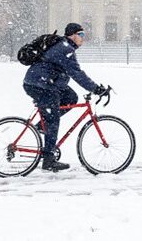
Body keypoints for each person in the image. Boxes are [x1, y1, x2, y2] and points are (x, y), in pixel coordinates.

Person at [22, 23, 101, 172]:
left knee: (71, 97)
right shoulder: (65, 49)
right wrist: (95, 88)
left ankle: (41, 126)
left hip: (44, 82)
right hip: (40, 84)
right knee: (53, 119)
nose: (83, 38)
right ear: (72, 35)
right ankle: (49, 159)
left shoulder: (65, 47)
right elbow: (77, 73)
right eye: (81, 35)